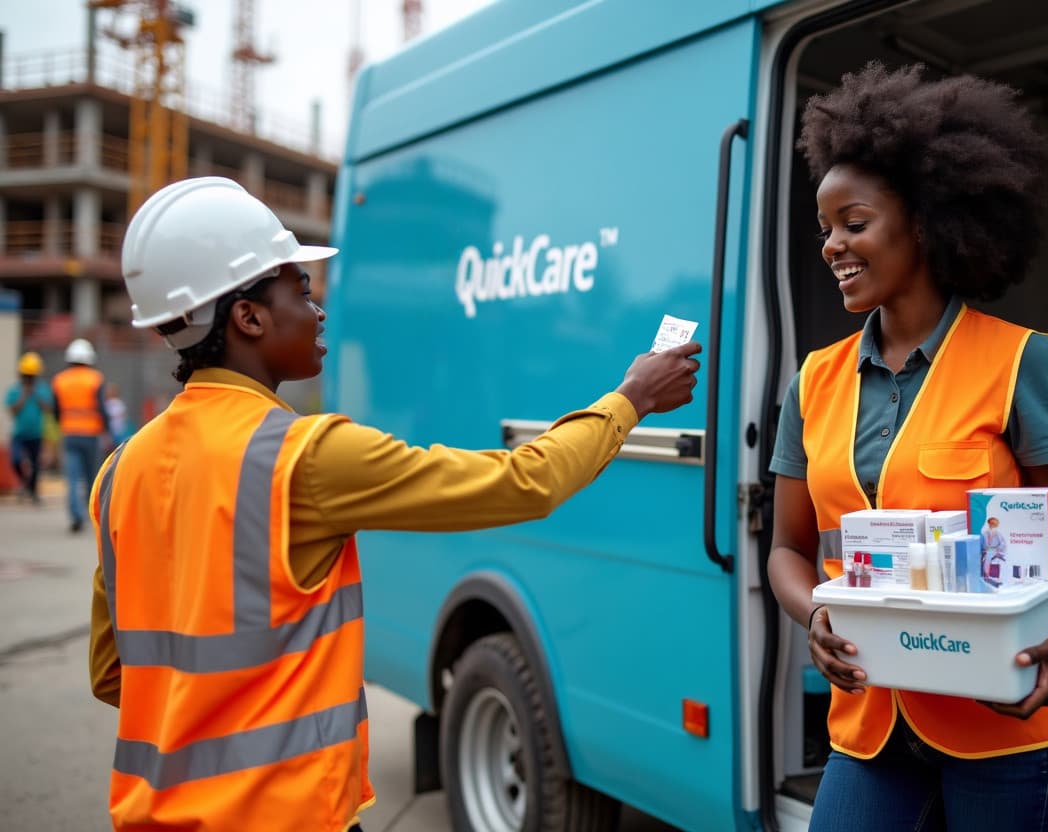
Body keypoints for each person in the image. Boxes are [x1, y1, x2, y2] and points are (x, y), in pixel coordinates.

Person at [86, 176, 701, 832]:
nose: (318, 308)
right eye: (299, 289)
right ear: (248, 317)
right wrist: (631, 397)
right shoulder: (305, 457)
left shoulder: (119, 471)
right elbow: (527, 482)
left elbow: (110, 673)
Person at [766, 64, 1048, 831]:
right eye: (825, 230)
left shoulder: (1020, 360)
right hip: (869, 724)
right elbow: (786, 549)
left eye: (853, 223)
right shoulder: (813, 382)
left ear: (922, 220)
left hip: (1007, 728)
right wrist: (813, 614)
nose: (831, 246)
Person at [51, 337, 109, 531]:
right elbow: (102, 408)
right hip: (91, 433)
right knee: (92, 477)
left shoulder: (60, 380)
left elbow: (56, 410)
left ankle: (75, 516)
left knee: (73, 478)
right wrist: (107, 430)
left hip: (69, 433)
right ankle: (91, 514)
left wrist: (64, 425)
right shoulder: (96, 378)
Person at [6, 351, 54, 502]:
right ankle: (24, 484)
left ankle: (32, 492)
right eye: (26, 376)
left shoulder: (42, 389)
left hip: (36, 434)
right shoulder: (15, 390)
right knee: (15, 460)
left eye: (31, 376)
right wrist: (24, 396)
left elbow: (48, 409)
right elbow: (12, 411)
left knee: (35, 466)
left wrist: (36, 395)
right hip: (19, 433)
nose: (29, 379)